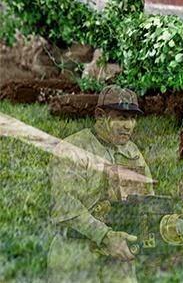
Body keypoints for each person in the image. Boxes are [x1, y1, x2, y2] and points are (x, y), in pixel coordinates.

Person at [47, 85, 154, 283]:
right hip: (76, 255)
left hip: (118, 257)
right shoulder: (73, 150)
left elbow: (146, 199)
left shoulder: (132, 152)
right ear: (100, 115)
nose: (128, 126)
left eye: (133, 118)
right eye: (121, 118)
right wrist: (105, 236)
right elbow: (65, 206)